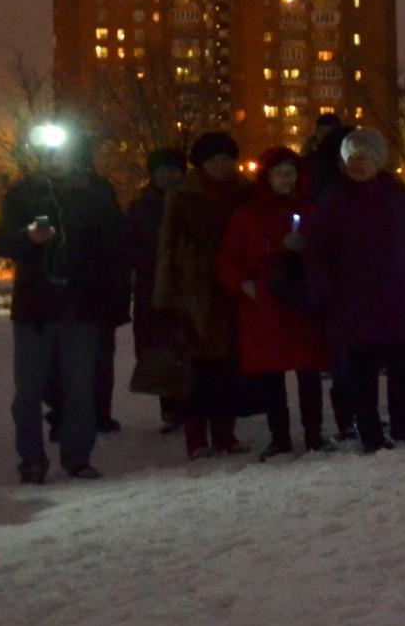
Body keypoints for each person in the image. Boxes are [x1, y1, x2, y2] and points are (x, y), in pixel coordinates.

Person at [0, 122, 122, 482]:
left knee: (80, 389)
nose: (55, 158)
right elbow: (0, 239)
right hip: (35, 309)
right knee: (28, 392)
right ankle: (31, 459)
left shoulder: (96, 192)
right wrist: (27, 237)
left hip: (81, 307)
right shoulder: (25, 193)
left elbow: (114, 247)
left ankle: (78, 457)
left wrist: (111, 300)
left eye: (61, 152)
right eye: (48, 153)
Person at [304, 128, 405, 451]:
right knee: (361, 372)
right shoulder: (332, 202)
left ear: (378, 160)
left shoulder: (399, 196)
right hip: (354, 300)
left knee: (402, 368)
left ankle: (403, 425)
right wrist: (324, 292)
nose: (359, 164)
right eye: (353, 158)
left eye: (365, 157)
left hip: (398, 296)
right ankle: (370, 434)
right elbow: (317, 253)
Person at [214, 147, 331, 455]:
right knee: (272, 375)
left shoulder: (308, 210)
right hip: (266, 303)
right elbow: (228, 259)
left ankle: (313, 433)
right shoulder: (248, 213)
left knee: (308, 370)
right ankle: (280, 436)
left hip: (300, 302)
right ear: (266, 177)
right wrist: (243, 284)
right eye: (279, 173)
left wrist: (306, 252)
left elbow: (327, 253)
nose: (285, 179)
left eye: (290, 173)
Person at [156, 130, 248, 458]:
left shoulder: (243, 192)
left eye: (227, 158)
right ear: (203, 163)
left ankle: (225, 433)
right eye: (215, 159)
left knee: (229, 367)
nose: (223, 165)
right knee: (196, 370)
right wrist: (166, 295)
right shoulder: (183, 194)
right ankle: (196, 438)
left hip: (230, 291)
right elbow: (167, 244)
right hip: (193, 291)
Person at [123, 147, 190, 431]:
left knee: (189, 346)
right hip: (153, 287)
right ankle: (170, 409)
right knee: (159, 348)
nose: (168, 175)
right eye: (162, 170)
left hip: (188, 285)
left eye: (174, 170)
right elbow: (128, 246)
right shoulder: (142, 207)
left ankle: (192, 407)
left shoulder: (192, 201)